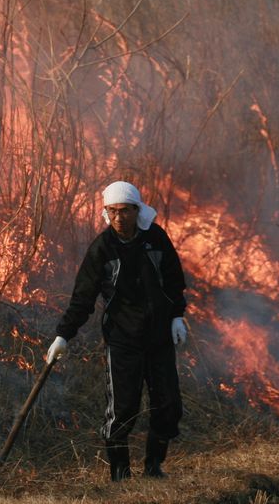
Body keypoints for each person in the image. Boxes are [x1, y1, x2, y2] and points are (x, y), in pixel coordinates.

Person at [45, 181, 188, 481]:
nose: (119, 218)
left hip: (159, 338)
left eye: (124, 211)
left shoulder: (156, 239)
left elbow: (174, 281)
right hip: (123, 340)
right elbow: (82, 298)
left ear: (137, 210)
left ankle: (153, 467)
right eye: (112, 212)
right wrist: (63, 335)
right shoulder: (102, 249)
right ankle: (120, 476)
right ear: (106, 213)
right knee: (123, 410)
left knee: (169, 406)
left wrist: (177, 316)